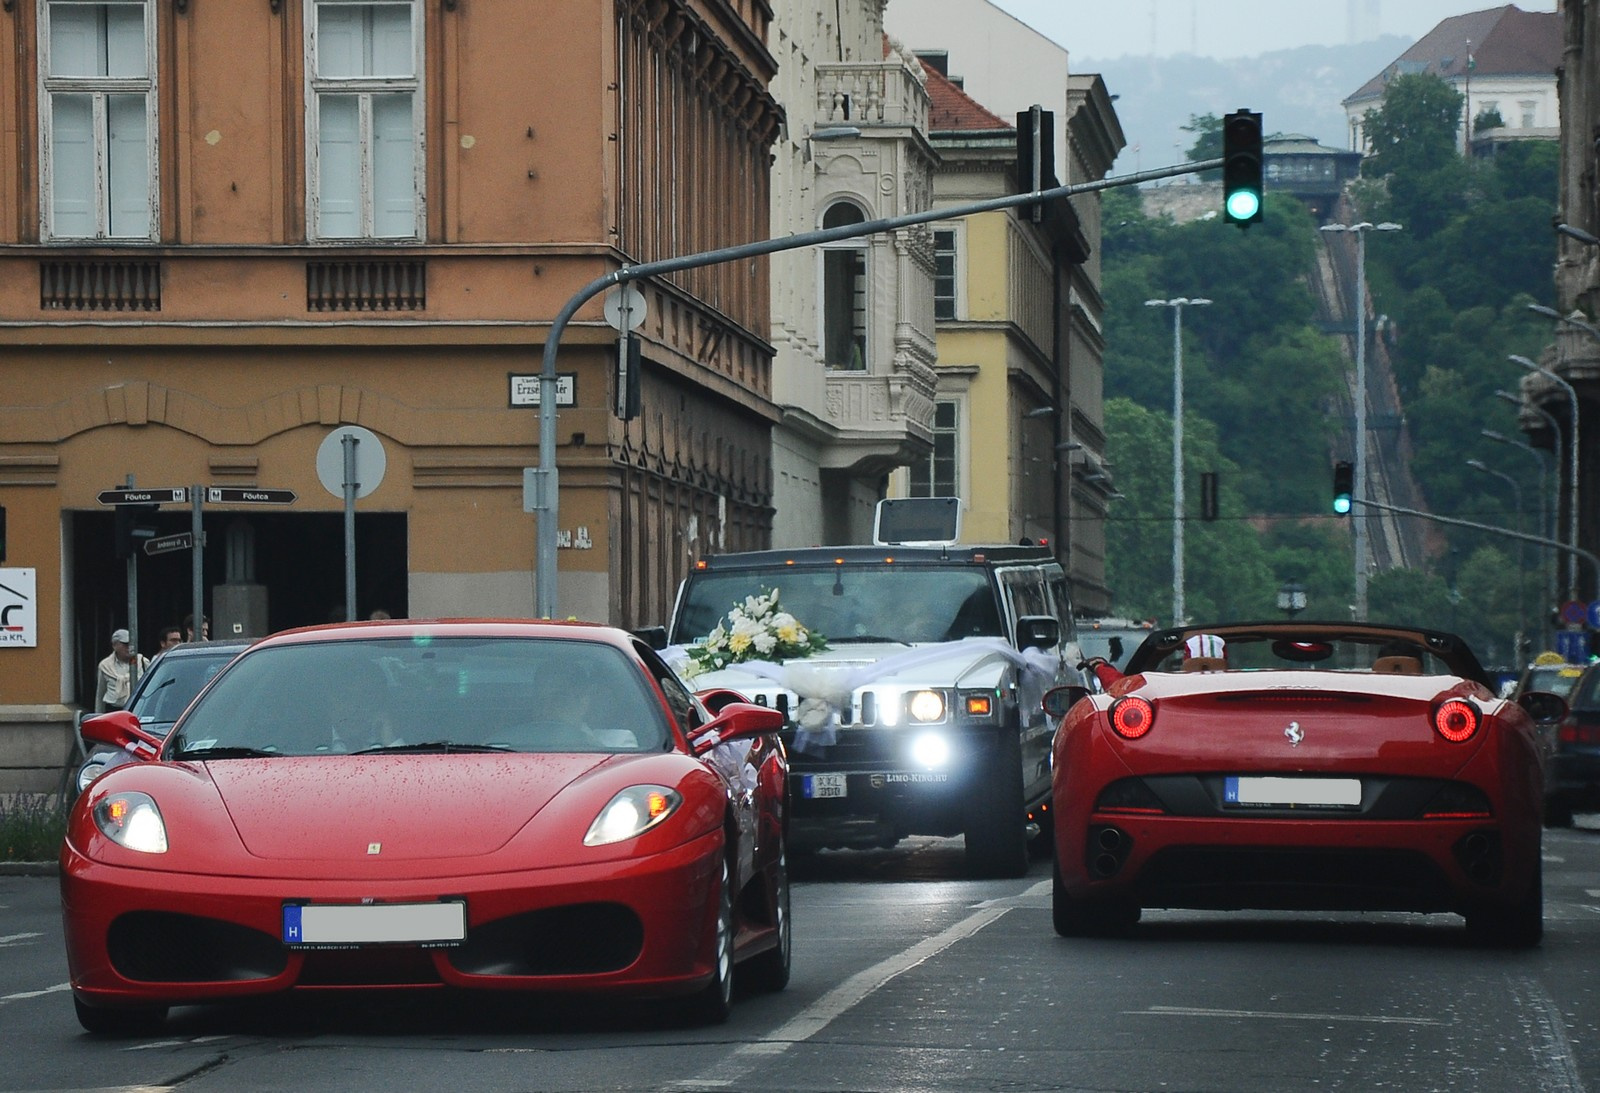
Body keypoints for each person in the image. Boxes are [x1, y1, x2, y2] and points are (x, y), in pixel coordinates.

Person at [96, 628, 150, 712]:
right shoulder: (105, 665)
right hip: (113, 710)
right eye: (125, 644)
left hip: (138, 708)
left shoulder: (142, 661)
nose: (129, 647)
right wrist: (98, 715)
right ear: (114, 645)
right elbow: (100, 692)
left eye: (131, 644)